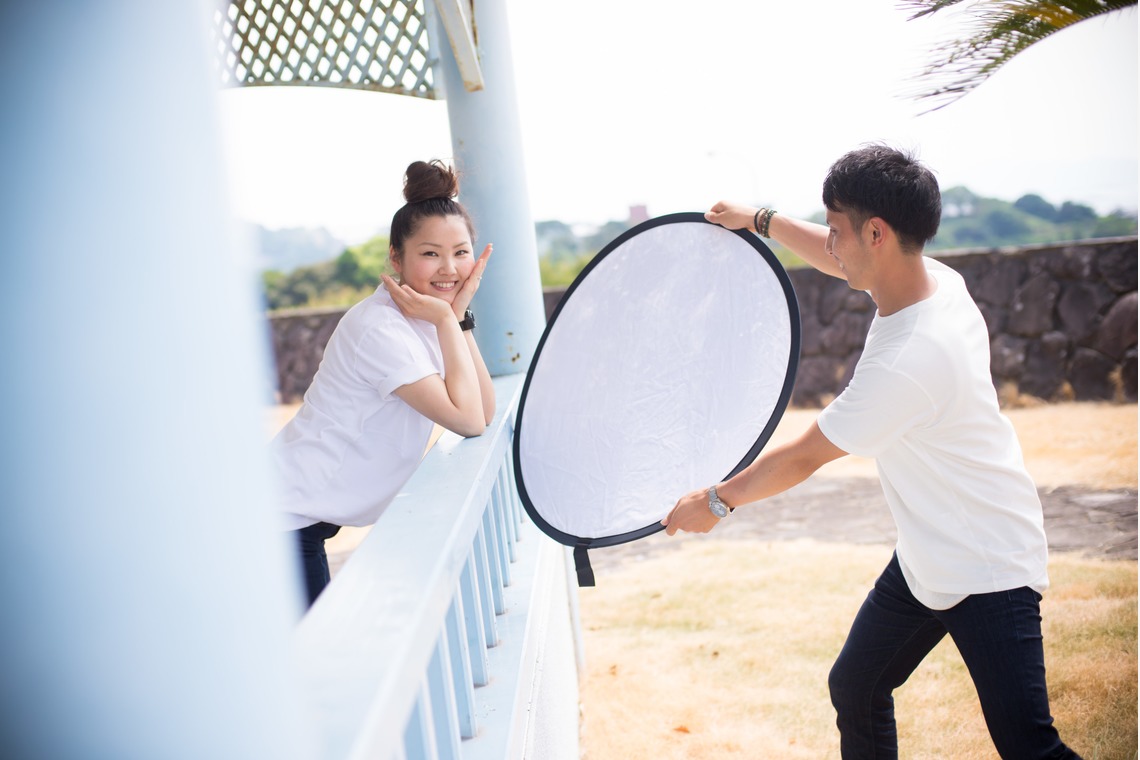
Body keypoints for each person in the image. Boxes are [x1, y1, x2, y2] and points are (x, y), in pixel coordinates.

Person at [661, 145, 1080, 758]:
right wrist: (758, 220)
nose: (830, 244)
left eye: (836, 232)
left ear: (876, 233)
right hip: (927, 556)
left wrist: (716, 502)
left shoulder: (912, 358)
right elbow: (842, 263)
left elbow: (804, 456)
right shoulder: (934, 281)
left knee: (1029, 748)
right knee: (856, 686)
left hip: (988, 566)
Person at [272, 160, 495, 607]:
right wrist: (446, 318)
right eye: (430, 253)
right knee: (309, 661)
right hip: (276, 522)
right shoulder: (381, 329)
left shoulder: (426, 319)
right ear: (396, 257)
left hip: (298, 519)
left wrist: (456, 318)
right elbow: (468, 421)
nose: (449, 268)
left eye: (461, 251)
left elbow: (484, 411)